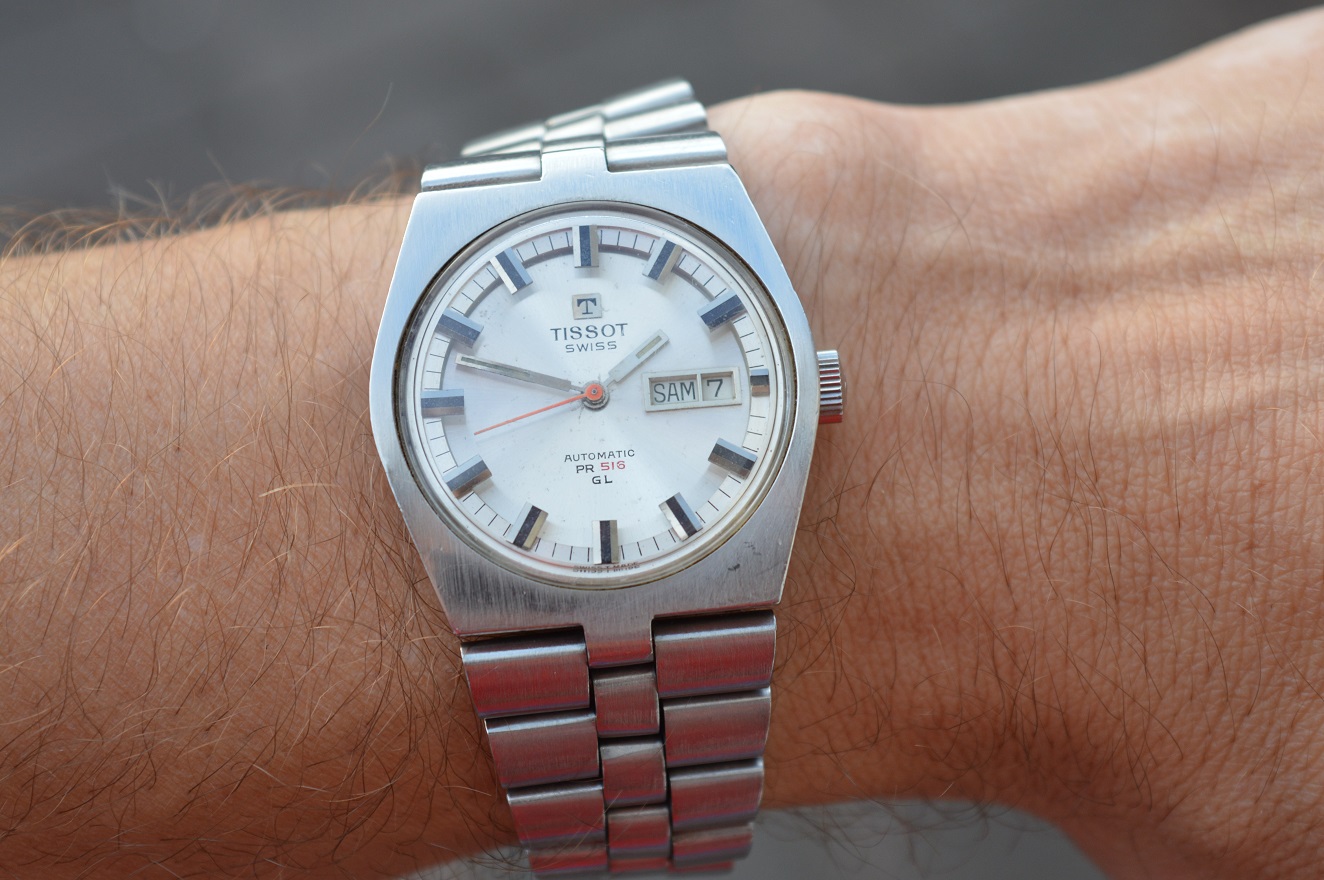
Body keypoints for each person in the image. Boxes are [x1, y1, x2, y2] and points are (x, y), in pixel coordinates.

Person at [1, 8, 1321, 879]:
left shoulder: (743, 400)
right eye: (573, 383)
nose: (594, 395)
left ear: (813, 388)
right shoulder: (439, 421)